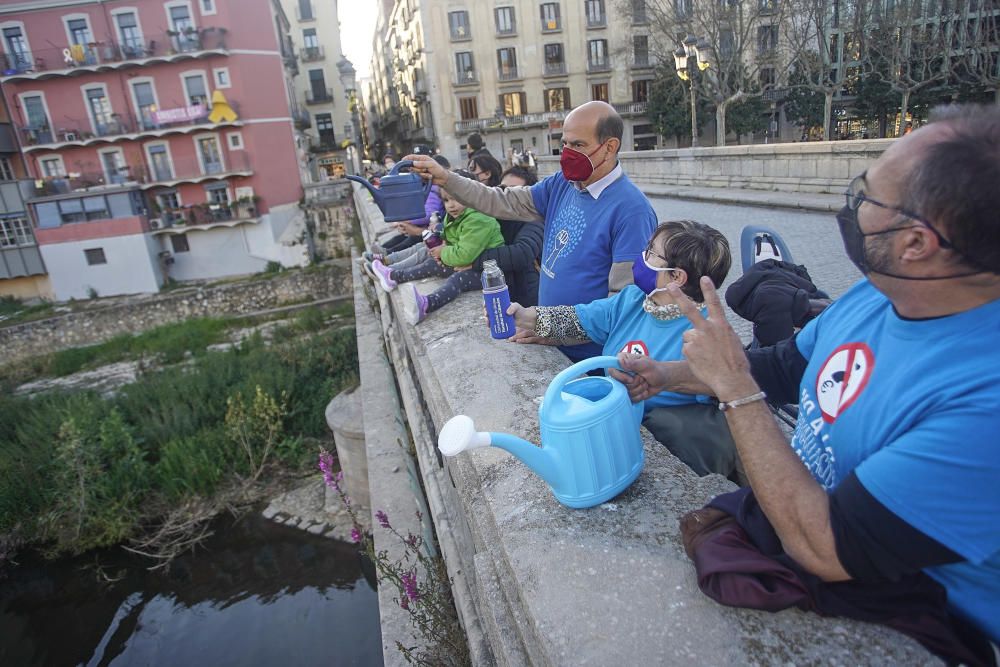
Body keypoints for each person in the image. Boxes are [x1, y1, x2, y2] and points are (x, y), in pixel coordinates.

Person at [612, 104, 1000, 647]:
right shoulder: (882, 293)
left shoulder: (985, 403)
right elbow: (785, 368)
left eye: (866, 195)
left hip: (916, 619)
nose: (852, 205)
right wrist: (668, 373)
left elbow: (828, 547)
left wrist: (736, 392)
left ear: (916, 243)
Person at [405, 101, 658, 362]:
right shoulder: (564, 184)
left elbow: (622, 306)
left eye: (578, 145)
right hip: (549, 340)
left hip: (589, 360)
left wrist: (551, 327)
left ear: (610, 147)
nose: (567, 153)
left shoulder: (632, 211)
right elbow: (502, 200)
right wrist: (446, 178)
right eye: (565, 144)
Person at [509, 220, 743, 483]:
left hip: (656, 443)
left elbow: (723, 392)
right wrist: (524, 316)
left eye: (651, 252)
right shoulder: (632, 299)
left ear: (676, 276)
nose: (641, 257)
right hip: (610, 419)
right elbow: (580, 319)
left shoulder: (705, 333)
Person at [400, 166, 545, 324]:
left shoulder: (535, 221)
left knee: (459, 279)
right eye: (503, 189)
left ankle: (425, 301)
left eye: (516, 191)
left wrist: (474, 261)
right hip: (495, 278)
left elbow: (521, 253)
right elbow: (461, 230)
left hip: (522, 296)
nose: (509, 196)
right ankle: (396, 275)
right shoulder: (489, 211)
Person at [368, 169, 504, 303]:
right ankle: (391, 271)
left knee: (456, 280)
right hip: (470, 262)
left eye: (457, 198)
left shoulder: (478, 219)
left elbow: (464, 255)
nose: (451, 205)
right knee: (427, 253)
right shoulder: (457, 216)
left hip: (488, 271)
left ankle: (425, 301)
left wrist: (442, 251)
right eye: (446, 200)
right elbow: (451, 236)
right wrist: (440, 239)